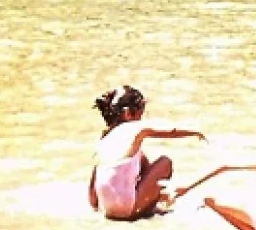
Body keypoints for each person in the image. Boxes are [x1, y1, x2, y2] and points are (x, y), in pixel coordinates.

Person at [88, 84, 206, 221]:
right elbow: (170, 131)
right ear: (128, 114)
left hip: (107, 210)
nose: (141, 119)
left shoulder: (104, 140)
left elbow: (93, 193)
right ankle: (149, 205)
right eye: (140, 113)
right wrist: (195, 132)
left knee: (142, 160)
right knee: (165, 162)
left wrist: (99, 206)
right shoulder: (133, 127)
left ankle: (150, 201)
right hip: (127, 209)